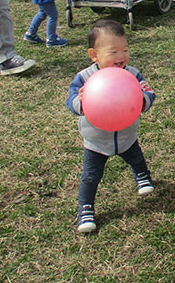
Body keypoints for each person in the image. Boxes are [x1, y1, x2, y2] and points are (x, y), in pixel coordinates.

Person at [66, 19, 156, 233]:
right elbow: (70, 101)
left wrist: (141, 99)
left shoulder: (132, 74)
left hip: (126, 135)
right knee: (90, 176)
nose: (121, 56)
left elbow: (149, 93)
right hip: (96, 141)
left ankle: (142, 176)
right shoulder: (85, 78)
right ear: (94, 55)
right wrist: (81, 102)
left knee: (136, 158)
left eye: (125, 49)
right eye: (113, 51)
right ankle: (85, 209)